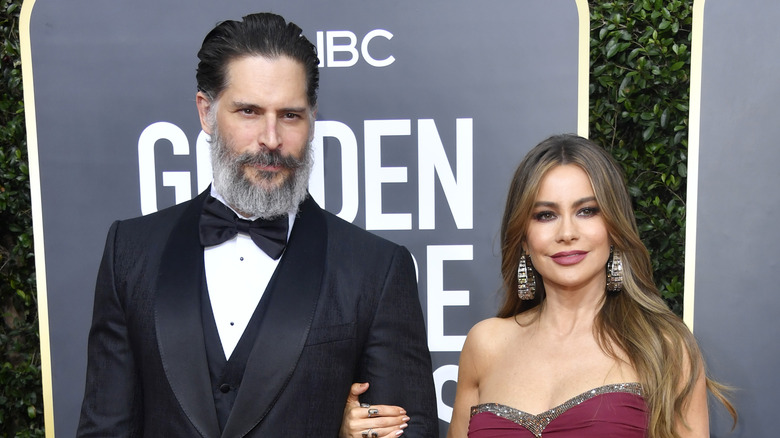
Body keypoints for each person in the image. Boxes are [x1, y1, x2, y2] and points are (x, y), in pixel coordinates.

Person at [77, 12, 437, 437]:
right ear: (206, 113)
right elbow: (105, 428)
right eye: (248, 111)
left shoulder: (376, 269)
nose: (270, 138)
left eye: (290, 115)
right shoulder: (130, 251)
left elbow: (409, 432)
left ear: (312, 119)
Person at [345, 134, 736, 437]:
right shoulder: (486, 345)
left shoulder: (663, 347)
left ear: (614, 227)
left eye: (587, 211)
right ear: (524, 237)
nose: (567, 233)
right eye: (546, 215)